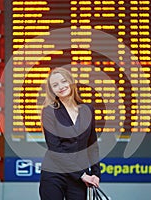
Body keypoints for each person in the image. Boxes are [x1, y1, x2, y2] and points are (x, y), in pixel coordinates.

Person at [39, 67, 101, 200]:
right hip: (54, 173)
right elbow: (55, 149)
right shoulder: (49, 111)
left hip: (79, 176)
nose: (61, 87)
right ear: (51, 90)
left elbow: (92, 144)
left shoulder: (87, 110)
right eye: (55, 85)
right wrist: (83, 175)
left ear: (71, 82)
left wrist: (96, 174)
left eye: (63, 81)